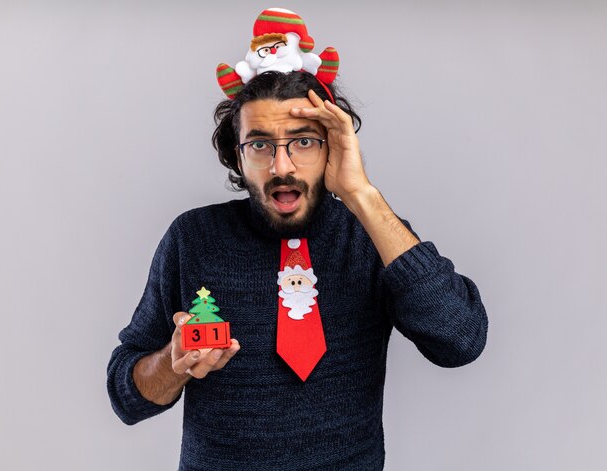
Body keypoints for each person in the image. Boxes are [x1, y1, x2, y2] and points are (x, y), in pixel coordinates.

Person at [107, 9, 488, 471]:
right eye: (260, 145)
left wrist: (362, 195)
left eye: (304, 142)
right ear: (237, 155)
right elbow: (128, 398)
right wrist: (174, 359)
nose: (282, 166)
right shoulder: (192, 238)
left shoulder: (375, 237)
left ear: (333, 146)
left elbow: (461, 339)